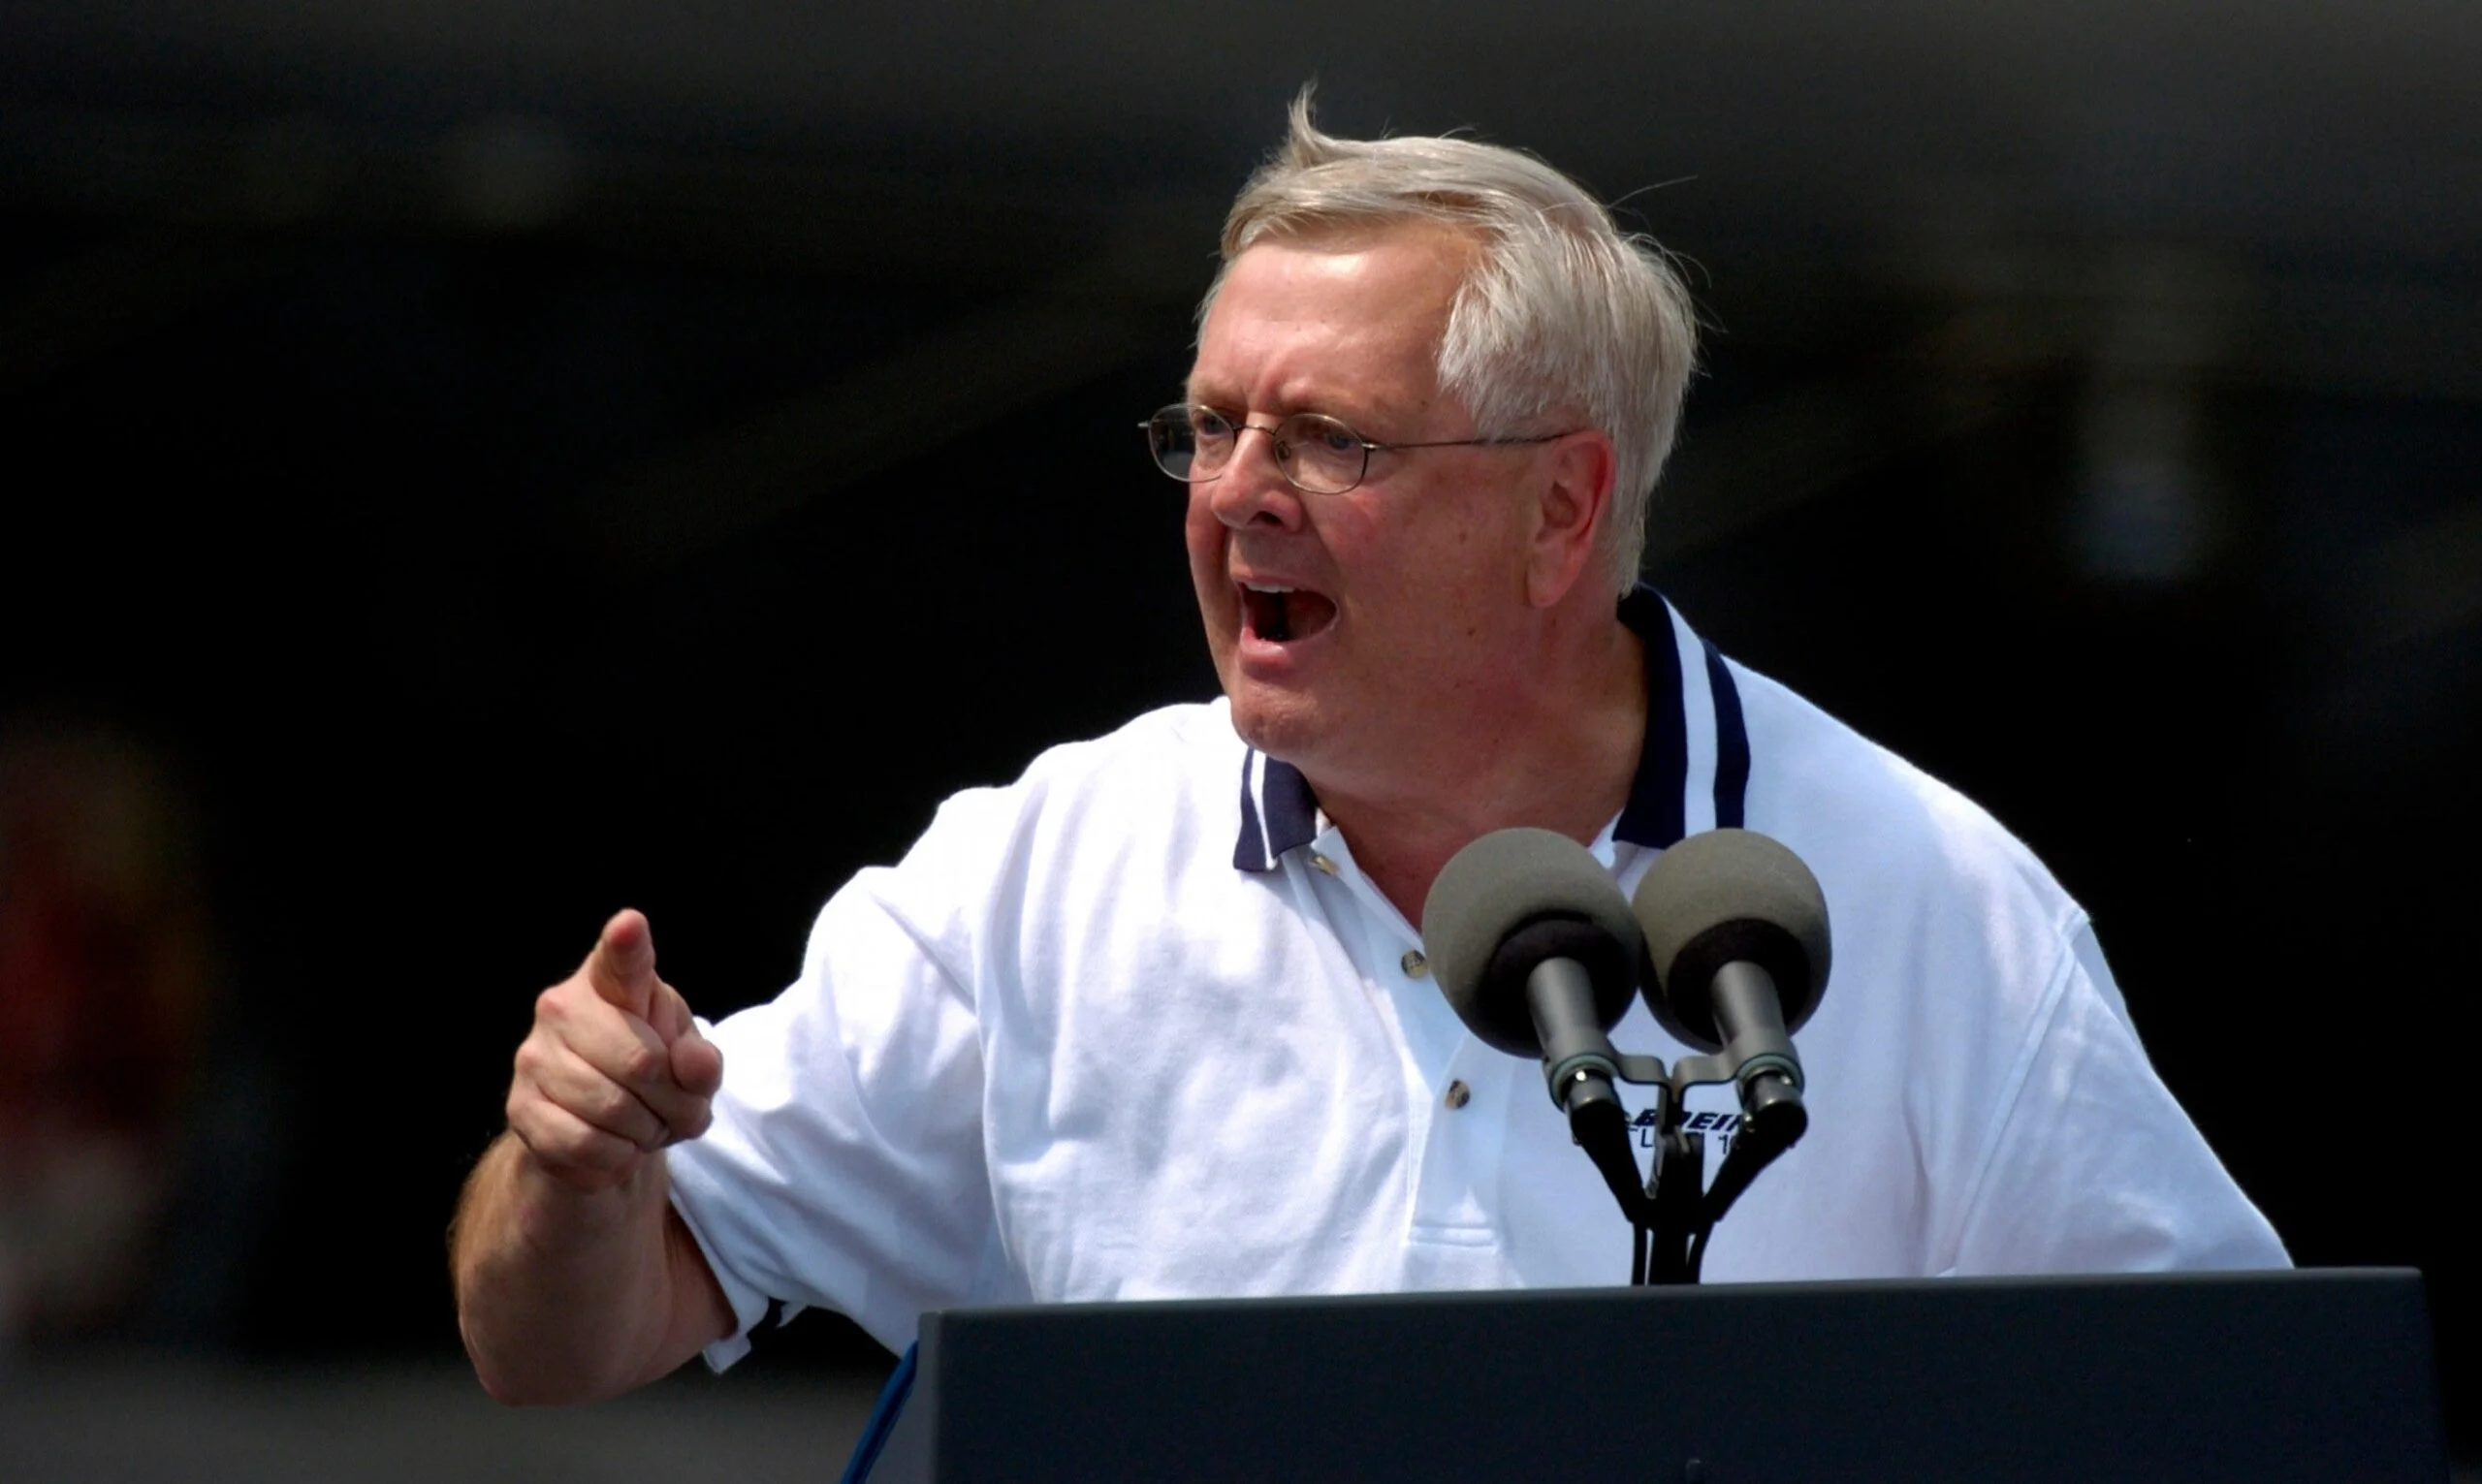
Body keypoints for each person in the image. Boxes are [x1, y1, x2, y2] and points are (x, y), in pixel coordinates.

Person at [449, 96, 2287, 1405]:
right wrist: (574, 1173)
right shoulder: (1050, 867)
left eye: (1331, 439)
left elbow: (2234, 1420)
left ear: (1564, 510)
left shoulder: (1926, 899)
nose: (1236, 495)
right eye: (1211, 425)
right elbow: (556, 1344)